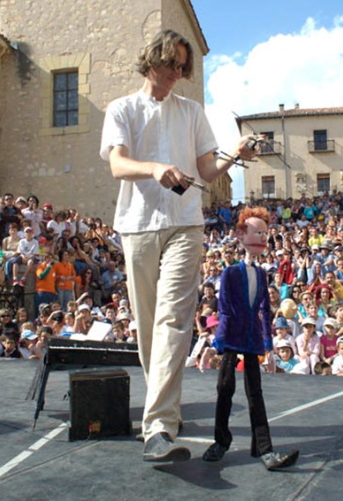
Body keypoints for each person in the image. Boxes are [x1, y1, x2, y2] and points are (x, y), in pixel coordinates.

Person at [100, 29, 259, 463]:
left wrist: (234, 153)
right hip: (135, 226)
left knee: (173, 320)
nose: (177, 72)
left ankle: (158, 427)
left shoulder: (191, 111)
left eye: (182, 66)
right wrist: (154, 168)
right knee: (148, 326)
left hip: (185, 224)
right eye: (172, 63)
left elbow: (207, 170)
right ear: (152, 58)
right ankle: (162, 412)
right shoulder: (122, 109)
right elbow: (117, 164)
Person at [199, 206, 299, 471]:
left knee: (255, 392)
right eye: (256, 232)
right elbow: (225, 307)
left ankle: (264, 447)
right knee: (225, 388)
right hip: (232, 336)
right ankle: (221, 441)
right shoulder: (231, 272)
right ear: (242, 235)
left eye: (264, 234)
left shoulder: (263, 274)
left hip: (252, 338)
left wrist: (268, 345)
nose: (262, 238)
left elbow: (265, 310)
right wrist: (219, 342)